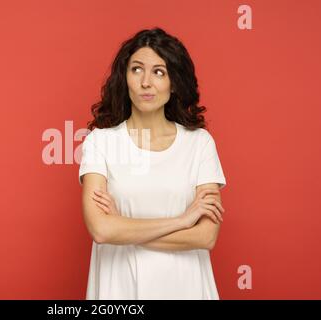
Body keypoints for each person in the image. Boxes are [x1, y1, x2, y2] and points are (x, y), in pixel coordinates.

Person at [78, 27, 227, 300]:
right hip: (120, 290)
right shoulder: (101, 142)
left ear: (174, 81)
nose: (146, 82)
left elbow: (206, 236)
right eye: (137, 69)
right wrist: (182, 221)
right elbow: (101, 230)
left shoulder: (199, 143)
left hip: (187, 287)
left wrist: (123, 227)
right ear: (125, 78)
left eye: (159, 71)